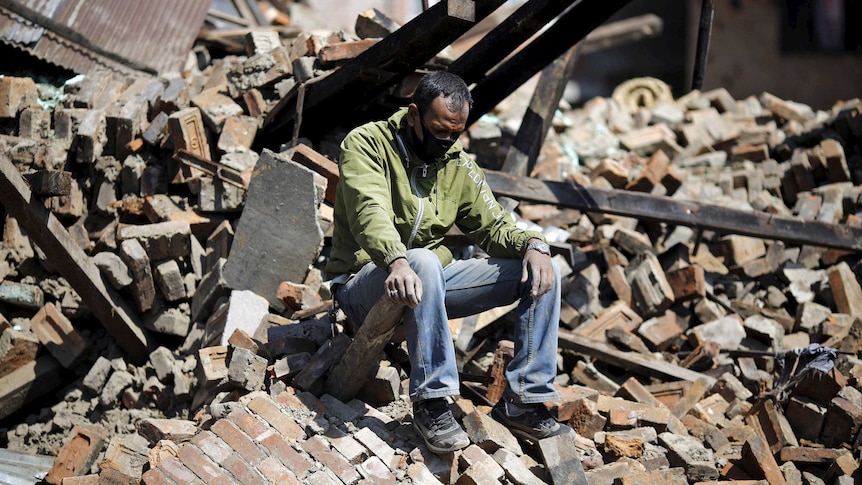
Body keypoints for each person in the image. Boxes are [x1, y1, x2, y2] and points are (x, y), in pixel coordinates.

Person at [325, 71, 572, 453]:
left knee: (544, 269)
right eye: (439, 133)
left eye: (454, 135)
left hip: (426, 283)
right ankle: (431, 402)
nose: (446, 144)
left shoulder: (457, 164)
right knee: (421, 260)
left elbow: (494, 226)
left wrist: (534, 244)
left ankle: (524, 401)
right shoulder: (368, 144)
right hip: (365, 284)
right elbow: (367, 210)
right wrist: (396, 260)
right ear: (413, 115)